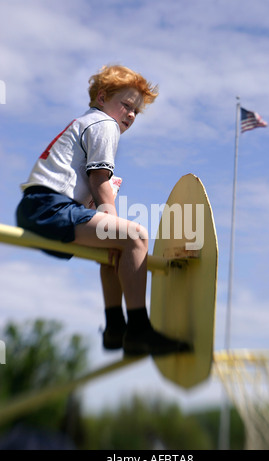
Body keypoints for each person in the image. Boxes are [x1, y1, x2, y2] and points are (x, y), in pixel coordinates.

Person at [16, 65, 191, 356]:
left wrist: (108, 222)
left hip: (42, 206)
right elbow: (99, 181)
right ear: (101, 99)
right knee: (135, 236)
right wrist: (112, 220)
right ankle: (138, 329)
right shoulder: (103, 124)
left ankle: (115, 328)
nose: (131, 115)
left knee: (122, 247)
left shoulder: (88, 124)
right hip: (48, 206)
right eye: (126, 105)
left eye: (136, 111)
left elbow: (90, 192)